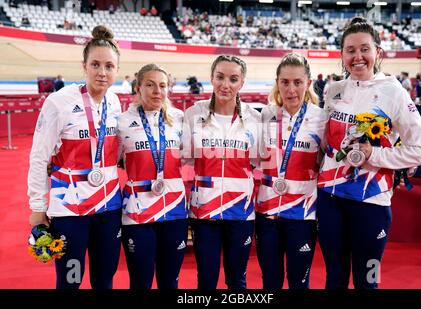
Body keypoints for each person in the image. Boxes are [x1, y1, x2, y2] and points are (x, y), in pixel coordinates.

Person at [317, 17, 421, 289]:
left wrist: (376, 156)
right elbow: (324, 143)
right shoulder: (334, 90)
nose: (358, 57)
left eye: (364, 49)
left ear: (377, 52)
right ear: (342, 55)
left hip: (371, 201)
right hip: (330, 197)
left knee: (367, 281)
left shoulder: (394, 92)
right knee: (334, 277)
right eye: (350, 50)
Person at [27, 25, 123, 289]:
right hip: (71, 209)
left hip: (109, 206)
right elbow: (38, 158)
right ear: (84, 66)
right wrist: (37, 208)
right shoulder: (59, 102)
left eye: (109, 66)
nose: (102, 72)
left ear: (117, 70)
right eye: (95, 64)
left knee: (105, 278)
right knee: (70, 279)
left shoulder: (115, 102)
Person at [182, 55, 260, 289]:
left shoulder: (255, 118)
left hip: (241, 212)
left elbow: (257, 162)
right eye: (220, 77)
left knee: (237, 280)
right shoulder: (193, 114)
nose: (226, 85)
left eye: (233, 79)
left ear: (242, 83)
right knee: (206, 279)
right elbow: (185, 158)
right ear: (211, 78)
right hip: (204, 212)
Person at [256, 53, 327, 289]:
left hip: (302, 215)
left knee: (299, 282)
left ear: (308, 84)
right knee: (270, 282)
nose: (291, 89)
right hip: (267, 214)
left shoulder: (321, 119)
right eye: (285, 82)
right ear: (277, 83)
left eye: (297, 82)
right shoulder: (265, 115)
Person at [117, 64, 188, 289]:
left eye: (162, 85)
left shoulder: (179, 118)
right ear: (138, 88)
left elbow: (188, 157)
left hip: (174, 210)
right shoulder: (122, 121)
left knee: (170, 282)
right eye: (150, 85)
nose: (157, 91)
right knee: (140, 282)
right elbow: (111, 160)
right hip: (137, 213)